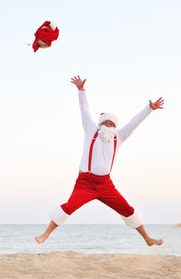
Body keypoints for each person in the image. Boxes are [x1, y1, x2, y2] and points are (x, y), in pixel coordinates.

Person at [35, 75, 165, 246]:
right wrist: (81, 90)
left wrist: (149, 108)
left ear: (115, 126)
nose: (109, 125)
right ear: (100, 124)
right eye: (106, 122)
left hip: (105, 185)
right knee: (68, 207)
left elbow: (135, 122)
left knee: (128, 210)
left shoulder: (119, 137)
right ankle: (45, 235)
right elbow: (84, 110)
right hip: (85, 183)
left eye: (112, 123)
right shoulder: (91, 131)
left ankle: (148, 239)